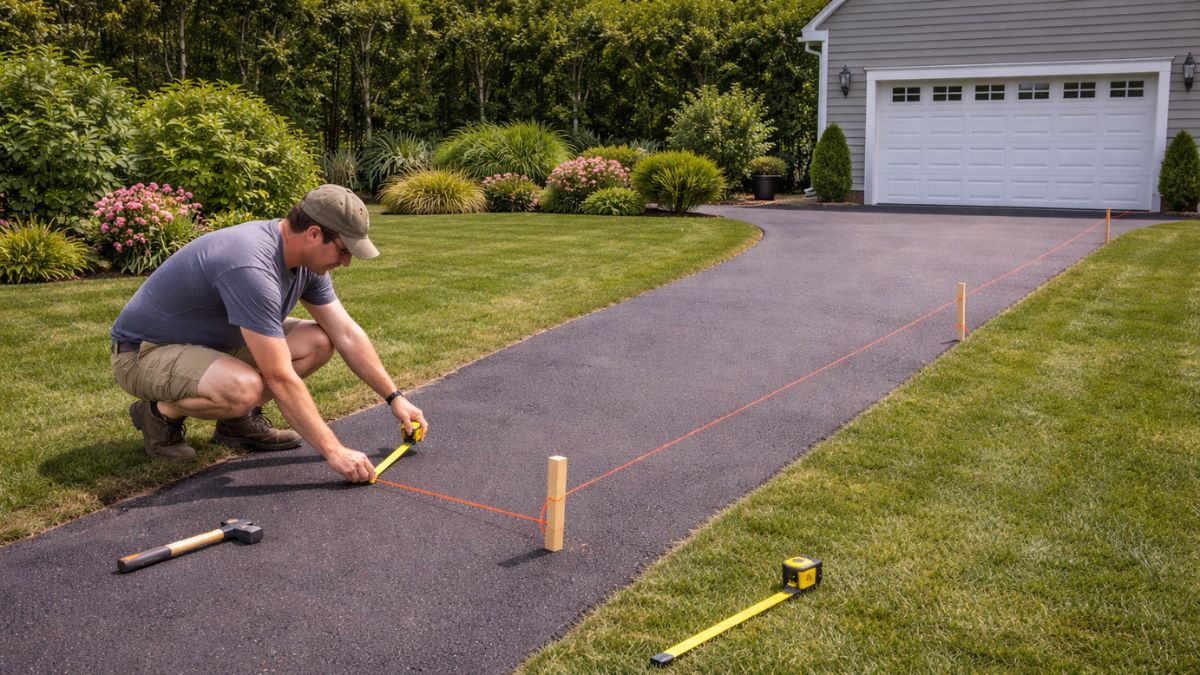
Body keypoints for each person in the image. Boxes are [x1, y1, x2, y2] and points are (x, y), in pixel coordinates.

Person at [110, 184, 427, 483]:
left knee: (318, 341)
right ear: (314, 234)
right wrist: (335, 451)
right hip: (144, 353)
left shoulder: (304, 261)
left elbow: (345, 332)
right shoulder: (251, 265)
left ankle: (237, 424)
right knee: (243, 388)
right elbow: (278, 375)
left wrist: (395, 398)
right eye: (344, 251)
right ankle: (159, 413)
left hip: (217, 343)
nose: (345, 263)